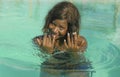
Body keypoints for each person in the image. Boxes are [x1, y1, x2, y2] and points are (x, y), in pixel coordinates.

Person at [33, 1, 92, 77]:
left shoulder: (79, 42)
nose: (55, 30)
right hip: (52, 66)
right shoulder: (39, 41)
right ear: (49, 21)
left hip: (75, 66)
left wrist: (74, 53)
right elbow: (39, 60)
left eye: (61, 28)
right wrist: (46, 52)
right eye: (53, 24)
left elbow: (80, 62)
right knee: (48, 70)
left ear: (70, 29)